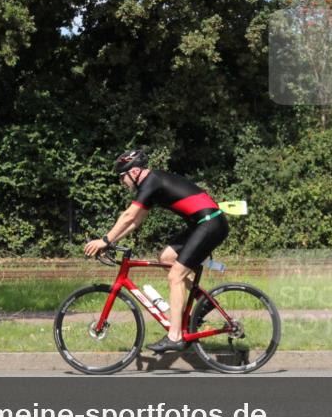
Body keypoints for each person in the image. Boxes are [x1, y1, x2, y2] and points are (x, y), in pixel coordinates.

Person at [84, 150, 228, 353]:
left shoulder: (152, 181)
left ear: (134, 172)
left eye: (122, 177)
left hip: (209, 224)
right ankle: (203, 302)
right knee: (166, 258)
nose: (122, 182)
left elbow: (128, 215)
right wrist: (110, 242)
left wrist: (105, 240)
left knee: (175, 276)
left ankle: (175, 336)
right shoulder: (152, 184)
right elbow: (134, 222)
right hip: (203, 224)